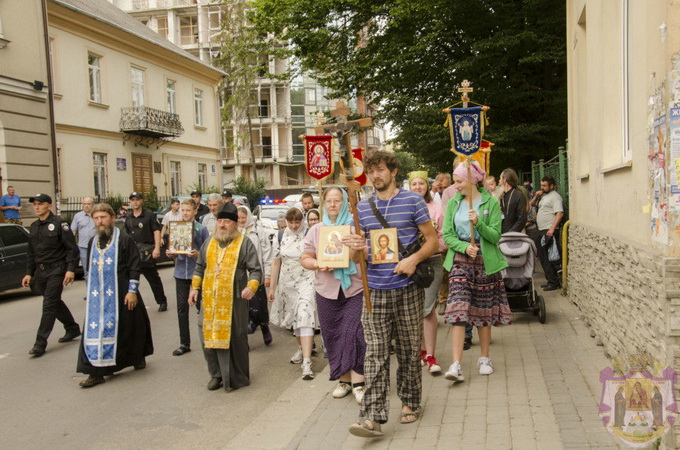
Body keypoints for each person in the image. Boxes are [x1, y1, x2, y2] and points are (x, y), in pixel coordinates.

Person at [349, 151, 438, 437]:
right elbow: (354, 258)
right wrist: (355, 248)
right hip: (374, 291)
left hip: (407, 288)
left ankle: (410, 400)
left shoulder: (412, 201)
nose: (375, 175)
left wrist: (413, 260)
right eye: (371, 170)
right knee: (375, 353)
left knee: (410, 350)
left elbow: (433, 241)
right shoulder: (362, 208)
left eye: (380, 170)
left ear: (394, 171)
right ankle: (372, 417)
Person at [442, 161, 512, 383]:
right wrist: (464, 247)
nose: (456, 185)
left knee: (483, 311)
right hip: (461, 261)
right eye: (455, 181)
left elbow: (495, 236)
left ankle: (484, 358)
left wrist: (478, 223)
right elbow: (447, 234)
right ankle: (456, 364)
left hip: (485, 262)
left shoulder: (490, 202)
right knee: (458, 309)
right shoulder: (454, 203)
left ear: (472, 180)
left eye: (459, 181)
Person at [76, 203, 154, 388]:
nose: (100, 221)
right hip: (98, 297)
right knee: (93, 330)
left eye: (103, 217)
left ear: (111, 218)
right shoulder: (92, 241)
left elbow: (134, 266)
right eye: (96, 218)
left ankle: (136, 357)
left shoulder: (124, 239)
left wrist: (132, 291)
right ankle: (95, 372)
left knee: (130, 328)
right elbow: (89, 269)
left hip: (122, 292)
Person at [301, 187, 367, 402]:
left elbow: (364, 257)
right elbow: (305, 257)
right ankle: (344, 380)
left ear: (345, 202)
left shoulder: (354, 227)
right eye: (328, 201)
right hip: (326, 291)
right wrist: (317, 263)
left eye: (337, 201)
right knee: (333, 336)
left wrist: (356, 246)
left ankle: (359, 382)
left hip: (353, 289)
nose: (332, 205)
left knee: (355, 334)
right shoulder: (316, 230)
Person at [188, 202, 262, 391]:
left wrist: (251, 287)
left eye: (226, 221)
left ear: (235, 224)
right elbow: (199, 267)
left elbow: (255, 270)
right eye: (219, 221)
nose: (222, 225)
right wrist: (195, 288)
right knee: (206, 338)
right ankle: (216, 375)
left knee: (234, 338)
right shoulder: (209, 242)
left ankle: (236, 377)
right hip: (210, 300)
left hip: (235, 300)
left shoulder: (244, 243)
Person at [21, 193, 81, 357]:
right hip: (41, 272)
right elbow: (31, 252)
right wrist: (28, 273)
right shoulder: (34, 226)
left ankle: (40, 343)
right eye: (35, 205)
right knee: (53, 301)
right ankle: (72, 328)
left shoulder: (60, 224)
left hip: (57, 270)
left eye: (40, 204)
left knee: (48, 305)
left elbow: (72, 249)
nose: (37, 207)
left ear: (49, 205)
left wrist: (70, 269)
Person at [269, 207, 318, 380]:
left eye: (298, 222)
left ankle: (307, 362)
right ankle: (301, 349)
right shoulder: (280, 236)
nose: (295, 225)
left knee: (304, 315)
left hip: (307, 281)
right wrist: (272, 287)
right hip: (287, 284)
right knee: (296, 322)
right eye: (291, 222)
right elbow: (276, 263)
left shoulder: (310, 234)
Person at [408, 171, 446, 375]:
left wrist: (427, 246)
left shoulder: (436, 209)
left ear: (427, 186)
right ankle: (421, 350)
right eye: (414, 184)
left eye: (421, 183)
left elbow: (444, 237)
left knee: (428, 307)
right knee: (416, 308)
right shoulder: (405, 207)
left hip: (431, 263)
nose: (417, 187)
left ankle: (430, 355)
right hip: (410, 264)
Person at [166, 199, 209, 356]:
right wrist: (171, 254)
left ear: (195, 211)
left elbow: (207, 253)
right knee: (182, 309)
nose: (184, 213)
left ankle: (207, 338)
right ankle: (184, 343)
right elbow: (173, 250)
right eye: (183, 210)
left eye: (188, 210)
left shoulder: (202, 229)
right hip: (180, 273)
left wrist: (198, 254)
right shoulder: (176, 228)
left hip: (197, 274)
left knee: (201, 307)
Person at [237, 205, 275, 346]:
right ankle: (244, 340)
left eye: (243, 217)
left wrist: (268, 275)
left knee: (259, 305)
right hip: (240, 277)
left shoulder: (258, 231)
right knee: (242, 309)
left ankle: (264, 327)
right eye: (239, 218)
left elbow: (267, 252)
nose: (241, 220)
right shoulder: (234, 232)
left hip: (255, 275)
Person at [124, 192, 168, 311]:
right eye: (132, 200)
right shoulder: (128, 217)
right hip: (133, 252)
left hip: (147, 251)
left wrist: (157, 248)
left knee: (153, 278)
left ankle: (162, 301)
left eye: (137, 200)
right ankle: (131, 302)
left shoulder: (149, 215)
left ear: (141, 201)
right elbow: (126, 235)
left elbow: (156, 231)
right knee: (131, 278)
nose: (135, 202)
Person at [530, 175, 564, 291]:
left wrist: (552, 229)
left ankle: (554, 282)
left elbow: (559, 213)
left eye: (544, 186)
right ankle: (550, 280)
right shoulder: (544, 196)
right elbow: (532, 205)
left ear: (551, 186)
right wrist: (536, 196)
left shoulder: (555, 197)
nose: (542, 188)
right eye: (541, 185)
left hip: (549, 231)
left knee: (549, 257)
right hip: (542, 229)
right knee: (543, 257)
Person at [70, 197, 96, 281]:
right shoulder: (78, 216)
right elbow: (73, 231)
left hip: (96, 246)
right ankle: (90, 292)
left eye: (88, 204)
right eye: (84, 204)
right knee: (87, 271)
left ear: (93, 205)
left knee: (97, 269)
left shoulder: (96, 215)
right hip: (83, 247)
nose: (86, 206)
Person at [498, 168, 528, 234]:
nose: (499, 181)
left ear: (505, 180)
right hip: (502, 235)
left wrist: (511, 233)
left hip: (514, 237)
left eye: (500, 178)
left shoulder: (518, 195)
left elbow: (522, 218)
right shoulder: (501, 196)